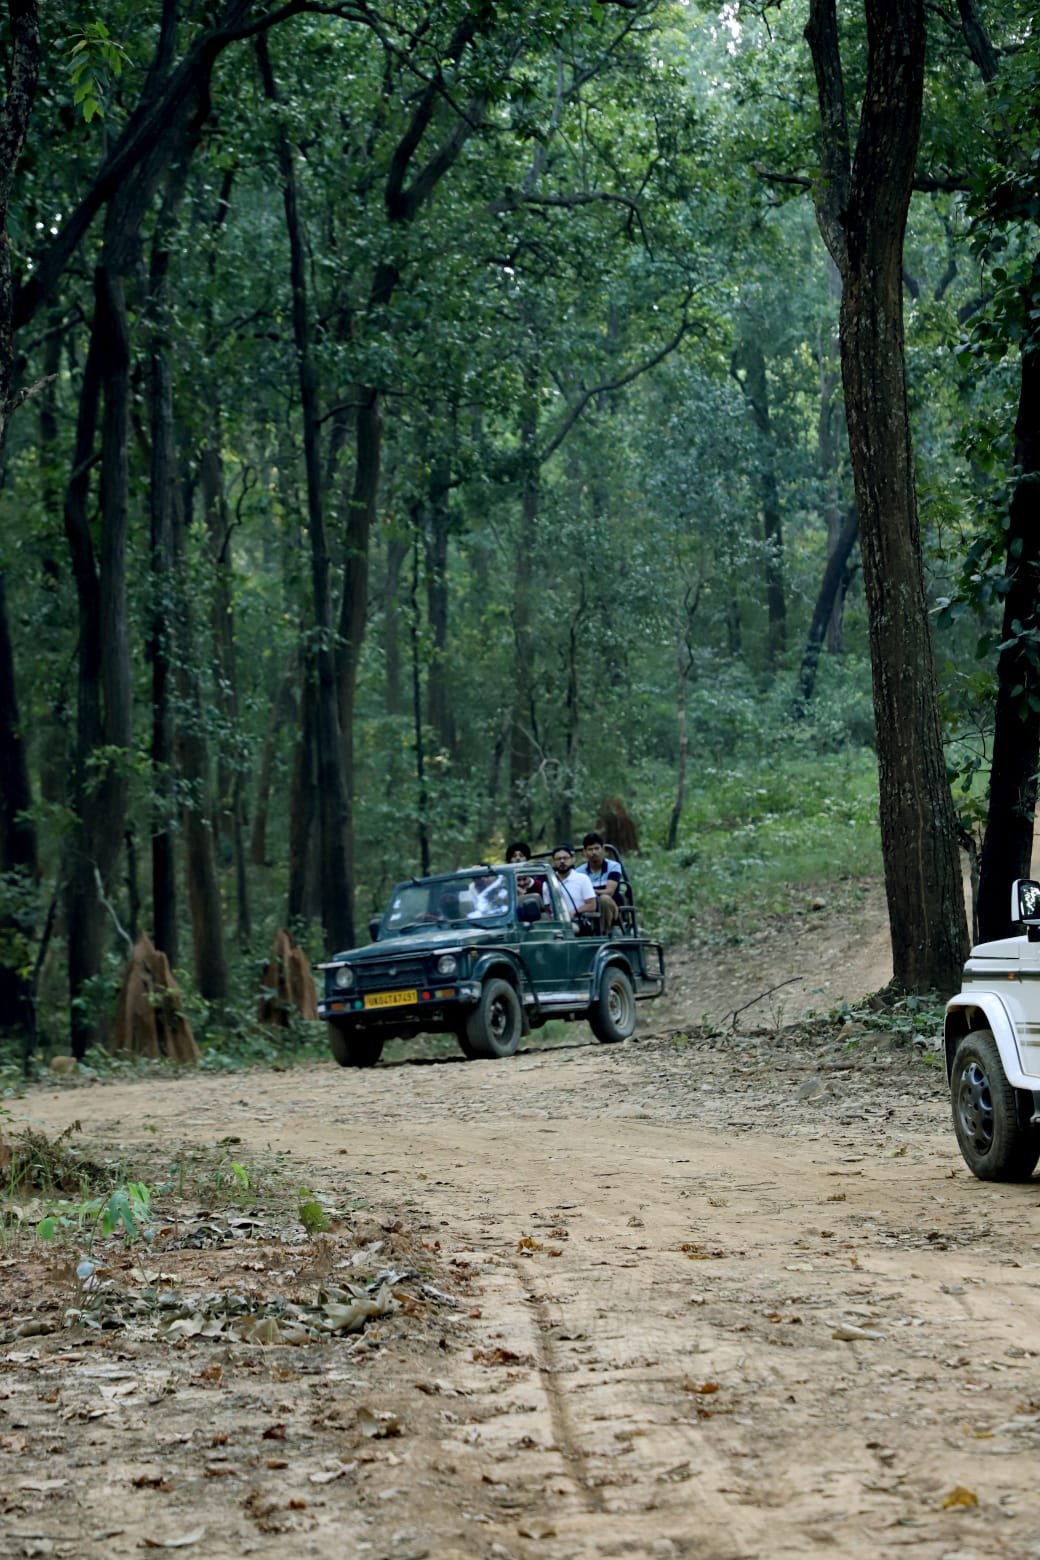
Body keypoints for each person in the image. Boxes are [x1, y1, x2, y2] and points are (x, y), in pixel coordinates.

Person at [581, 831, 621, 933]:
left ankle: (604, 932)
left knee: (604, 899)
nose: (594, 852)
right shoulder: (579, 872)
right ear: (584, 852)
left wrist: (591, 892)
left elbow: (609, 891)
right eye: (590, 849)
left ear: (602, 849)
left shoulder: (613, 866)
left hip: (611, 907)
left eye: (597, 848)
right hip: (589, 906)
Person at [551, 844, 596, 924]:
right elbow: (547, 908)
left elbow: (592, 905)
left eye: (565, 858)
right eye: (558, 859)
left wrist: (574, 912)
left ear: (572, 859)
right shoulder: (548, 882)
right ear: (553, 862)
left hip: (578, 920)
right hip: (555, 923)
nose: (562, 861)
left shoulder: (583, 879)